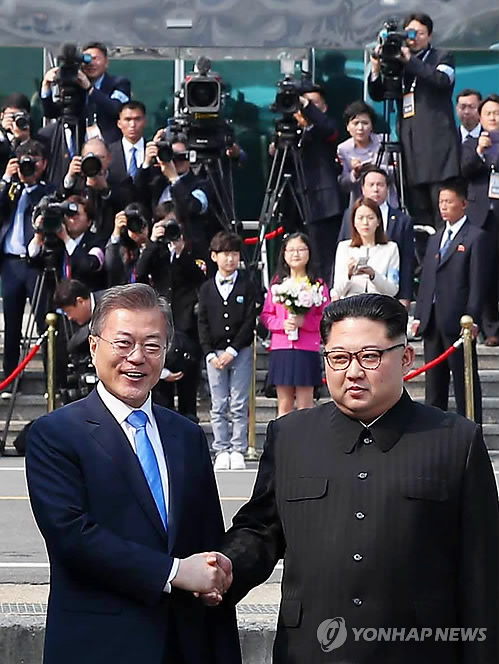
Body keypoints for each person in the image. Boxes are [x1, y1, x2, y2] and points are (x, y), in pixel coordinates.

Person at [218, 293, 499, 664]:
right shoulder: (289, 437)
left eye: (369, 356)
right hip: (311, 651)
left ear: (406, 357)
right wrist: (223, 569)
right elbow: (260, 532)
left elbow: (483, 574)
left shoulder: (455, 441)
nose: (352, 372)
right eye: (339, 358)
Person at [25, 283, 241, 664]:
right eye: (123, 343)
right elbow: (73, 538)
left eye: (152, 346)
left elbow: (207, 538)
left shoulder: (187, 435)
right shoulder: (56, 434)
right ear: (94, 347)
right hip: (99, 646)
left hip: (184, 644)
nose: (137, 357)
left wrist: (214, 578)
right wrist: (175, 572)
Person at [368, 12, 460, 228]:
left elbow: (442, 80)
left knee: (440, 211)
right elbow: (379, 94)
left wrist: (410, 60)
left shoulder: (442, 57)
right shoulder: (398, 62)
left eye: (420, 33)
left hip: (436, 150)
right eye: (410, 33)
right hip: (410, 148)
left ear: (429, 36)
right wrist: (376, 69)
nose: (414, 38)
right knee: (418, 214)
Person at [413, 179, 487, 422]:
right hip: (433, 321)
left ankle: (470, 429)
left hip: (459, 322)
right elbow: (427, 280)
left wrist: (473, 318)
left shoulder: (475, 237)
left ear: (463, 203)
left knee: (465, 384)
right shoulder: (436, 238)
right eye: (441, 202)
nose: (443, 207)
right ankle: (436, 432)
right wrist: (419, 315)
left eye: (449, 202)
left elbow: (477, 283)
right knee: (434, 385)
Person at [137, 202, 206, 422]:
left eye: (173, 224)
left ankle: (189, 422)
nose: (169, 229)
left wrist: (181, 253)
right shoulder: (155, 250)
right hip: (160, 321)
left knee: (188, 386)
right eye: (164, 224)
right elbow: (139, 274)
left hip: (186, 323)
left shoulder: (192, 247)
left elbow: (201, 278)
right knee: (161, 390)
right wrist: (151, 243)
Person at [198, 232, 258, 470]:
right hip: (214, 353)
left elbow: (250, 320)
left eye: (234, 254)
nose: (230, 259)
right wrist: (209, 353)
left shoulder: (247, 285)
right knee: (219, 403)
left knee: (239, 402)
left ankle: (238, 448)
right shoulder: (206, 288)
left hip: (240, 351)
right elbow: (202, 322)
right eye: (225, 254)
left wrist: (233, 349)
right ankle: (221, 448)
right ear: (214, 256)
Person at [0, 139, 55, 396]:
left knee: (45, 322)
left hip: (36, 263)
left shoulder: (48, 191)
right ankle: (10, 379)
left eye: (32, 162)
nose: (27, 166)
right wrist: (7, 179)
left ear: (42, 164)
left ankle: (51, 380)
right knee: (11, 324)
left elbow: (45, 209)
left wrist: (31, 184)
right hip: (10, 262)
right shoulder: (10, 189)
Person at [261, 232, 330, 417]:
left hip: (307, 347)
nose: (296, 254)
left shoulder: (318, 285)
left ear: (309, 252)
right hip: (282, 347)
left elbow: (325, 317)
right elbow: (266, 316)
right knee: (284, 403)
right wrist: (282, 324)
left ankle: (304, 435)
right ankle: (282, 435)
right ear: (284, 254)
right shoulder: (277, 284)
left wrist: (304, 322)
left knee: (305, 403)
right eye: (290, 250)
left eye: (301, 249)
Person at [337, 166, 414, 307]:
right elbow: (337, 280)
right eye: (371, 185)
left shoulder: (402, 221)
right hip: (351, 303)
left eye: (380, 185)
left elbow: (407, 262)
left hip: (382, 301)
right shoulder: (349, 218)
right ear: (362, 188)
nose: (375, 189)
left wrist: (405, 296)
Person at [135, 133, 213, 265]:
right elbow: (136, 196)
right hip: (158, 251)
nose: (177, 161)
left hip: (189, 251)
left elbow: (192, 207)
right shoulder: (157, 182)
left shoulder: (201, 184)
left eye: (182, 156)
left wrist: (174, 179)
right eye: (172, 155)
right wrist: (147, 162)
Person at [461, 93, 499, 346]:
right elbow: (464, 170)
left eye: (497, 113)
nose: (493, 117)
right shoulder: (470, 143)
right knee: (483, 271)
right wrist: (479, 151)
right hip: (480, 214)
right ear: (480, 117)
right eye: (489, 113)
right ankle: (490, 328)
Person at [40, 41, 131, 145]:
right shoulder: (74, 85)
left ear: (106, 62)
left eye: (95, 58)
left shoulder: (119, 83)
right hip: (80, 143)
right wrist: (46, 86)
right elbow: (51, 113)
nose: (91, 63)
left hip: (109, 144)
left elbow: (116, 108)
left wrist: (89, 88)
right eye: (87, 59)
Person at [29, 194, 106, 293]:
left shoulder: (97, 240)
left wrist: (66, 239)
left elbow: (88, 266)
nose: (72, 219)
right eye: (69, 215)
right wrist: (38, 234)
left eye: (76, 215)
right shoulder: (56, 240)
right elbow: (34, 261)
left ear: (89, 222)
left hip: (84, 296)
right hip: (57, 296)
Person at [332, 197, 399, 300]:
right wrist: (348, 274)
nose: (365, 223)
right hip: (351, 304)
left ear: (378, 221)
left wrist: (374, 275)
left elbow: (393, 289)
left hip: (378, 304)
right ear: (354, 222)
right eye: (360, 218)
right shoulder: (344, 247)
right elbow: (337, 290)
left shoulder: (391, 248)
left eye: (370, 218)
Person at [337, 100, 396, 207]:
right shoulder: (343, 149)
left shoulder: (384, 140)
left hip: (388, 202)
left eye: (365, 123)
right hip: (361, 206)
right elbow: (343, 185)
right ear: (348, 127)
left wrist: (375, 169)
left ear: (372, 126)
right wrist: (355, 174)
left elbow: (399, 171)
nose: (360, 128)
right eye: (355, 123)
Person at [108, 101, 147, 187]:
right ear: (119, 123)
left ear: (144, 122)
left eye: (137, 119)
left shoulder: (152, 151)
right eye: (128, 120)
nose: (132, 125)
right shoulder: (108, 153)